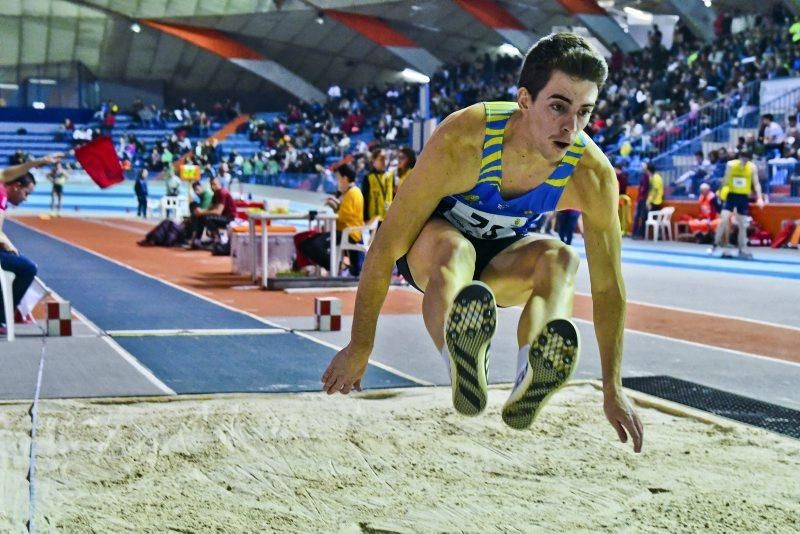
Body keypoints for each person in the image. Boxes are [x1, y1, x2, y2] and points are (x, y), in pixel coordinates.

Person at [321, 33, 642, 453]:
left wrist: (611, 386)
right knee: (457, 250)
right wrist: (361, 343)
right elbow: (385, 247)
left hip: (500, 260)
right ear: (524, 100)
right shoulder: (465, 140)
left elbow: (607, 287)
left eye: (585, 112)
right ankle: (461, 359)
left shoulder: (591, 173)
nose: (571, 127)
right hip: (432, 250)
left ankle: (532, 370)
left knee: (561, 258)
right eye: (559, 107)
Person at [298, 164, 365, 276]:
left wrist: (335, 207)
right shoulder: (352, 192)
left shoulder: (352, 193)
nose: (337, 181)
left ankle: (337, 266)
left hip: (347, 233)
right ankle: (336, 266)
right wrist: (336, 206)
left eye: (338, 178)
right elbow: (347, 213)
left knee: (312, 245)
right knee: (307, 244)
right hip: (347, 231)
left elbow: (343, 217)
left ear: (345, 178)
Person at [708, 149, 764, 259]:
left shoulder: (752, 167)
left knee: (743, 224)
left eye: (747, 159)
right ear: (739, 157)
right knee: (723, 220)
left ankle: (742, 249)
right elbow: (725, 180)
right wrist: (719, 192)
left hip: (743, 197)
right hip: (731, 195)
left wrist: (760, 198)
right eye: (743, 158)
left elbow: (756, 183)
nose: (744, 161)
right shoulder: (731, 165)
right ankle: (714, 245)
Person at [0, 173, 38, 333]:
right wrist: (7, 245)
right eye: (26, 193)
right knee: (27, 268)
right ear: (16, 186)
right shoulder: (1, 194)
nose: (26, 199)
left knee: (15, 262)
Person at [188, 175, 236, 249]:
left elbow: (218, 211)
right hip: (222, 217)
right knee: (201, 216)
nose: (212, 187)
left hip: (229, 218)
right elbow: (211, 208)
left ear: (219, 184)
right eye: (211, 184)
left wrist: (202, 212)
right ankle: (197, 240)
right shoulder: (215, 194)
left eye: (214, 184)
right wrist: (201, 211)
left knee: (207, 218)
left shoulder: (222, 193)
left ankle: (218, 239)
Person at [361, 149, 393, 224]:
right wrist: (365, 218)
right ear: (374, 161)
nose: (384, 161)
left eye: (386, 158)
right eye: (381, 159)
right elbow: (365, 198)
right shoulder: (368, 177)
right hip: (374, 219)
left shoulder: (390, 176)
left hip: (389, 217)